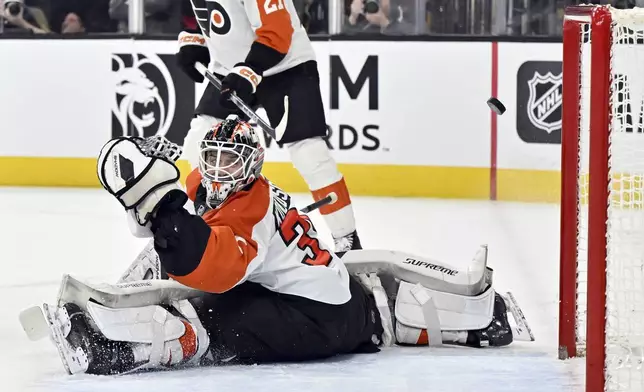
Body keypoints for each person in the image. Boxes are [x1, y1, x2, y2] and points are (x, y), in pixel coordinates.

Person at [29, 117, 529, 375]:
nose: (220, 170)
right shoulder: (217, 183)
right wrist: (158, 210)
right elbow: (183, 224)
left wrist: (160, 207)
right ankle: (462, 317)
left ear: (252, 167)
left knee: (216, 310)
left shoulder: (250, 207)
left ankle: (126, 347)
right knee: (205, 274)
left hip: (315, 323)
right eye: (214, 158)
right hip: (342, 303)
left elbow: (214, 268)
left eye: (231, 162)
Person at [175, 0, 362, 253]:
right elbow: (198, 10)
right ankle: (217, 222)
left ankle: (347, 239)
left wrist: (248, 72)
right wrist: (194, 38)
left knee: (310, 154)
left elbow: (277, 30)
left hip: (287, 65)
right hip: (230, 69)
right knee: (198, 142)